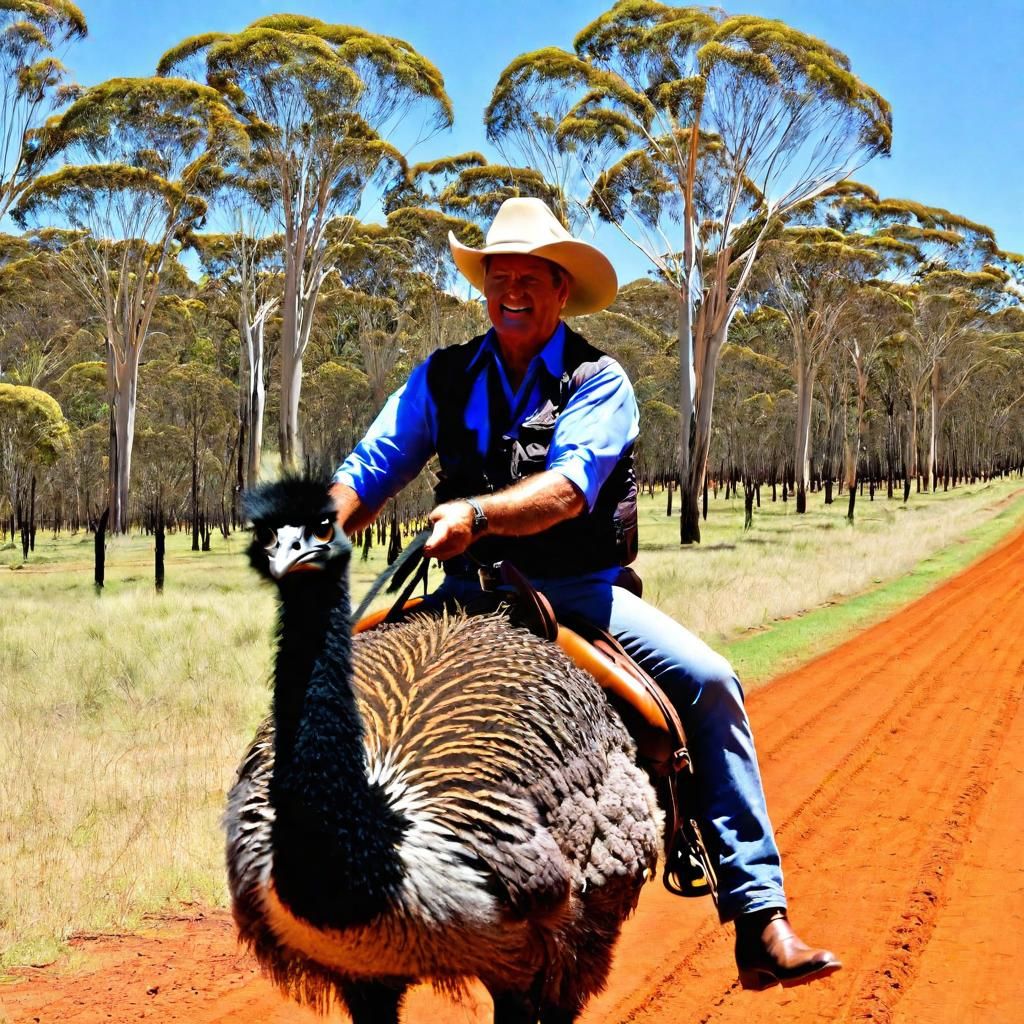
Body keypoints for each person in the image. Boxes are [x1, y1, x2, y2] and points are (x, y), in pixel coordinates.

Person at [330, 197, 840, 990]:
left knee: (708, 685)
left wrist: (475, 513)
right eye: (500, 279)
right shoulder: (445, 376)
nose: (513, 294)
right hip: (464, 593)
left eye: (530, 279)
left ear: (562, 290)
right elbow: (372, 466)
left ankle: (757, 914)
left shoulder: (598, 382)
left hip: (575, 596)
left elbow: (568, 490)